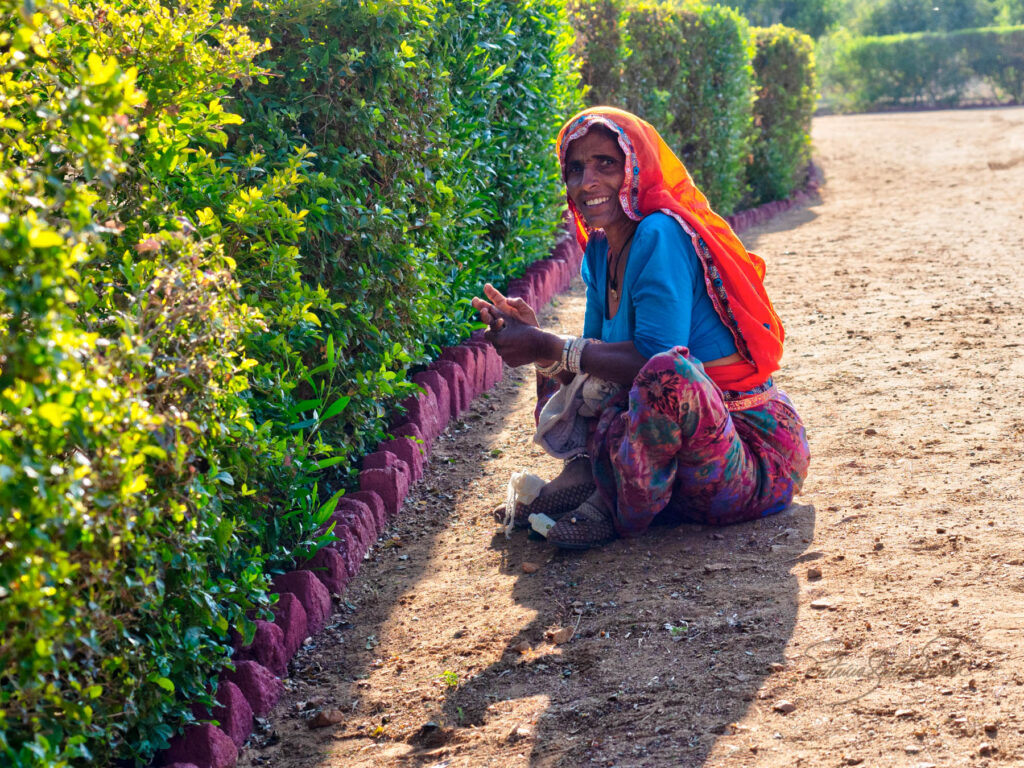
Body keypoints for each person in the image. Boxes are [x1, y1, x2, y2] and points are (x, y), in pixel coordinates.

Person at [472, 106, 809, 550]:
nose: (586, 181)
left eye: (605, 164)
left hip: (747, 459)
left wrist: (552, 344)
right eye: (575, 169)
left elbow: (654, 364)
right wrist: (539, 346)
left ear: (637, 168)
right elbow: (593, 367)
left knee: (668, 372)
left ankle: (609, 504)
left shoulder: (660, 233)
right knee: (577, 370)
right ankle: (590, 477)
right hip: (677, 468)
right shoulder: (598, 249)